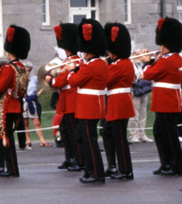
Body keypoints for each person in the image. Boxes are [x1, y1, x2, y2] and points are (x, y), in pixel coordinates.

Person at [66, 18, 109, 184]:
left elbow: (74, 81)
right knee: (81, 137)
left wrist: (71, 71)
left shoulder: (90, 65)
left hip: (88, 106)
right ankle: (90, 169)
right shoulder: (100, 64)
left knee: (88, 141)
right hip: (93, 104)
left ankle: (96, 172)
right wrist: (77, 69)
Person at [0, 26, 30, 179]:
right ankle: (0, 165)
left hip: (6, 106)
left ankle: (11, 168)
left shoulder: (9, 68)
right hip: (15, 104)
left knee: (5, 137)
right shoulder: (21, 67)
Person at [144, 17, 182, 175]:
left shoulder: (167, 60)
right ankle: (166, 162)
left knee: (168, 134)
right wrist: (154, 60)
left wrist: (148, 62)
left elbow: (149, 74)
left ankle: (174, 165)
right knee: (160, 132)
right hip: (166, 100)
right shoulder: (173, 59)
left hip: (166, 101)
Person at [103, 23, 136, 181]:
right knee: (108, 133)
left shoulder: (121, 64)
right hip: (116, 102)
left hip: (118, 103)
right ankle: (113, 165)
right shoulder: (120, 63)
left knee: (119, 138)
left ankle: (125, 170)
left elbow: (105, 80)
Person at [51, 23, 82, 172]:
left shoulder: (73, 61)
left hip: (72, 100)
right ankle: (70, 157)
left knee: (72, 132)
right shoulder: (71, 60)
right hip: (67, 99)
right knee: (65, 130)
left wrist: (51, 81)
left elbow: (61, 81)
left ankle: (77, 159)